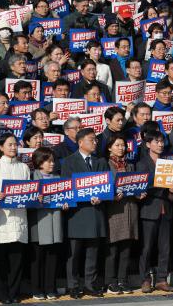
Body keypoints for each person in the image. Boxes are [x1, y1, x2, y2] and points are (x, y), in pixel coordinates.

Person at [61, 128, 109, 299]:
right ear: (80, 142)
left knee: (93, 252)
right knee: (74, 254)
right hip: (77, 214)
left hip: (96, 212)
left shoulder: (101, 161)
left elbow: (107, 187)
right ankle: (73, 285)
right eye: (91, 140)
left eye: (96, 140)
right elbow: (66, 187)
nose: (95, 142)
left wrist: (101, 198)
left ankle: (90, 284)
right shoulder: (68, 162)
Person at [0, 134, 30, 304]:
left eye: (15, 145)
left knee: (16, 260)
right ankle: (1, 293)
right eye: (10, 144)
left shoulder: (24, 167)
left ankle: (13, 293)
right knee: (0, 261)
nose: (13, 147)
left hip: (19, 218)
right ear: (1, 147)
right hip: (1, 219)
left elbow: (28, 191)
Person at [136, 130, 173, 293]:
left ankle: (161, 279)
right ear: (148, 144)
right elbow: (142, 186)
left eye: (162, 141)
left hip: (165, 209)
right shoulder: (142, 164)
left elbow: (171, 191)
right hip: (149, 209)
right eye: (156, 141)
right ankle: (145, 279)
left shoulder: (168, 163)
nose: (160, 144)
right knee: (146, 248)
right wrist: (161, 184)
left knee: (165, 247)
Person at [104, 134, 142, 295]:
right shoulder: (105, 165)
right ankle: (110, 281)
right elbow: (101, 189)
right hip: (113, 211)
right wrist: (111, 196)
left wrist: (139, 193)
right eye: (117, 145)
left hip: (130, 209)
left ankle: (123, 280)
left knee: (126, 249)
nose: (121, 148)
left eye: (123, 145)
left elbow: (136, 186)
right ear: (109, 147)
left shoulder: (130, 166)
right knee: (112, 250)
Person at [29, 147, 66, 300]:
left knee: (52, 256)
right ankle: (37, 289)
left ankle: (50, 288)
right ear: (39, 162)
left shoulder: (58, 178)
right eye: (48, 161)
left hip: (54, 220)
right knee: (37, 258)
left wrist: (66, 203)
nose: (52, 164)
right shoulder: (32, 177)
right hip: (38, 222)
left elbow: (66, 196)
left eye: (53, 161)